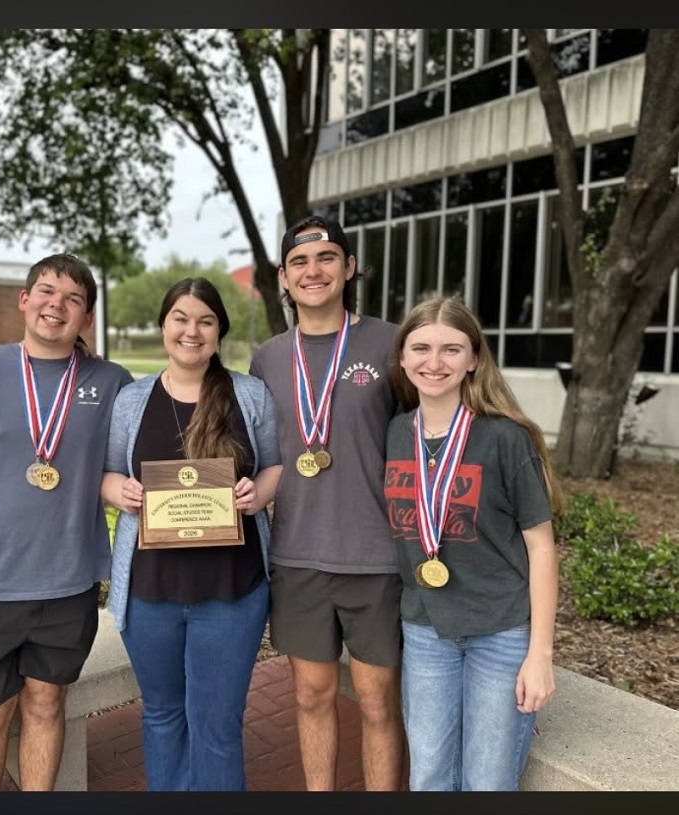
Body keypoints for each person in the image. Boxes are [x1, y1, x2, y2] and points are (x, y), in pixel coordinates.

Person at [0, 252, 133, 791]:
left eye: (73, 299)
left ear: (87, 319)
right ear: (24, 300)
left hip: (66, 581)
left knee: (47, 705)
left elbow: (124, 466)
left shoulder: (112, 381)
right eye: (47, 291)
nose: (57, 305)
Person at [101, 277, 282, 791]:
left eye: (205, 320)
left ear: (219, 331)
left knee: (218, 727)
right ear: (163, 326)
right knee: (162, 716)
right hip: (150, 593)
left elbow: (276, 466)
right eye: (180, 318)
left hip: (232, 593)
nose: (191, 330)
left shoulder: (249, 395)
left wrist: (259, 494)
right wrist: (122, 493)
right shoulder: (132, 400)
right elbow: (108, 473)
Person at [248, 214, 405, 791]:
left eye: (326, 258)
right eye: (299, 263)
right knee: (312, 696)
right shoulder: (266, 357)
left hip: (377, 556)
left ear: (349, 267)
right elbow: (262, 453)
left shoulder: (391, 344)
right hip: (298, 556)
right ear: (284, 279)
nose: (313, 271)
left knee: (377, 704)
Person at [383, 295, 563, 791]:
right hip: (425, 629)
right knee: (429, 777)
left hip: (500, 632)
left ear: (474, 359)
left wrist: (540, 655)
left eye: (451, 350)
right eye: (420, 348)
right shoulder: (397, 433)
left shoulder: (505, 438)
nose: (434, 363)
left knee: (487, 782)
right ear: (402, 357)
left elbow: (542, 548)